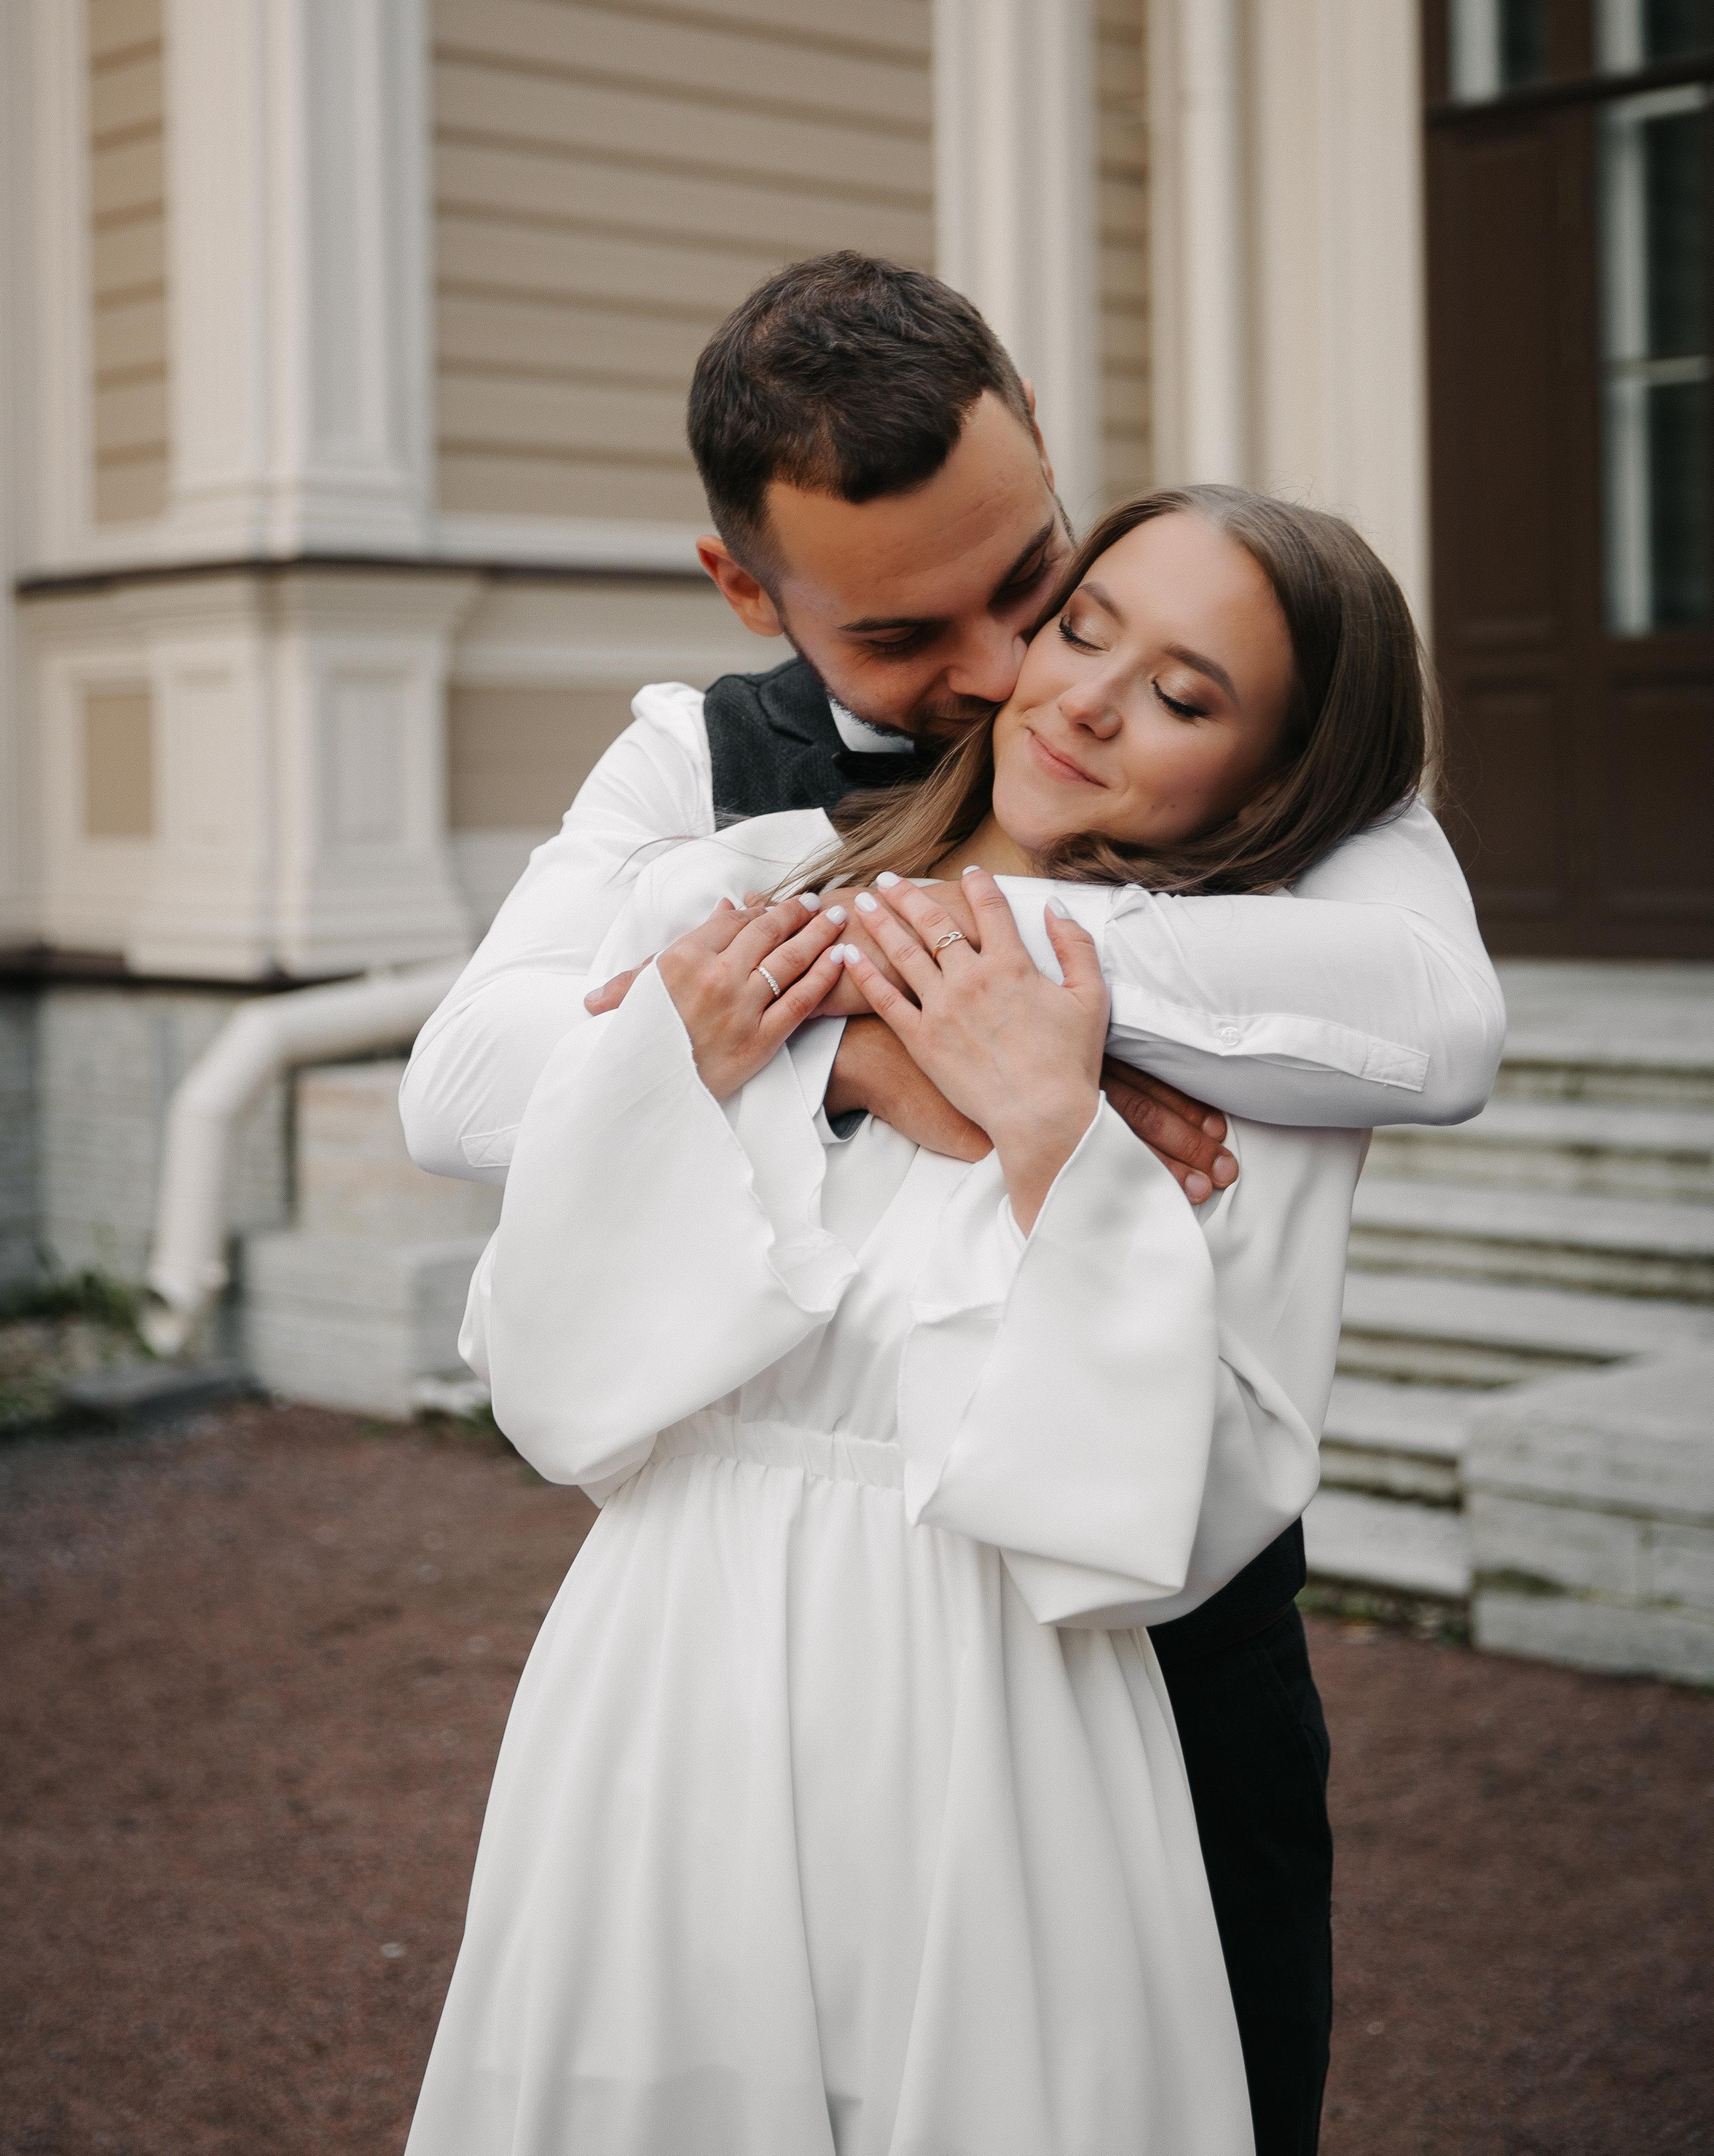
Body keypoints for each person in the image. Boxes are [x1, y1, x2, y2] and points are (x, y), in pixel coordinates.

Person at [402, 256, 1504, 2154]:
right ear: (751, 590)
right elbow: (475, 1086)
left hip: (1091, 1713)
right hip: (688, 1685)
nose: (1016, 678)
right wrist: (858, 1041)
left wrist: (996, 1019)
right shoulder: (715, 808)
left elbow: (1436, 1030)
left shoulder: (1295, 863)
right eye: (929, 631)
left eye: (1041, 586)